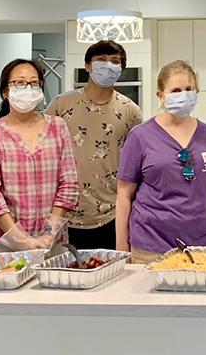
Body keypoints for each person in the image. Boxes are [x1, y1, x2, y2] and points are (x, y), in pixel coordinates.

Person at [116, 61, 206, 263]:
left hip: (202, 245)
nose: (184, 95)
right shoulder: (140, 136)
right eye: (176, 90)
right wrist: (121, 249)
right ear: (161, 96)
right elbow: (124, 195)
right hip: (151, 245)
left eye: (189, 89)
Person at [46, 40, 142, 250]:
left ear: (121, 69)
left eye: (115, 61)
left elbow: (137, 163)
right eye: (101, 60)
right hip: (62, 213)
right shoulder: (61, 104)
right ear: (87, 65)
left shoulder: (130, 111)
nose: (108, 65)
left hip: (111, 214)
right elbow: (42, 150)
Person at [0, 59, 79, 252]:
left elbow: (69, 185)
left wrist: (49, 234)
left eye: (34, 83)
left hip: (51, 243)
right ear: (5, 92)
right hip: (2, 245)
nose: (27, 88)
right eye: (20, 83)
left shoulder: (58, 127)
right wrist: (22, 241)